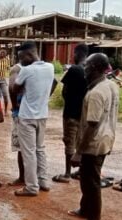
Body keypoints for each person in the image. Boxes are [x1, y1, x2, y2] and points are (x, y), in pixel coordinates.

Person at [69, 53, 119, 220]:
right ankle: (85, 209)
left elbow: (92, 124)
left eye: (87, 65)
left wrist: (79, 151)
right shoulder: (110, 85)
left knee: (91, 182)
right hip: (106, 138)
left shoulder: (97, 93)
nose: (84, 68)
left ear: (96, 68)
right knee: (87, 177)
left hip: (94, 143)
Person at [12, 42, 57, 197]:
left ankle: (31, 186)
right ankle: (43, 181)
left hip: (26, 116)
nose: (20, 60)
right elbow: (53, 84)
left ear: (29, 55)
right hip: (42, 114)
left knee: (28, 152)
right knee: (40, 149)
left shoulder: (27, 70)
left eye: (21, 57)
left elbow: (14, 88)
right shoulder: (50, 67)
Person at [53, 43, 89, 183]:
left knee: (69, 141)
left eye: (74, 53)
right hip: (86, 114)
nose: (73, 56)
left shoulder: (75, 69)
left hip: (71, 112)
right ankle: (81, 170)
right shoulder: (91, 69)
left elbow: (65, 90)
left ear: (78, 53)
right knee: (82, 142)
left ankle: (67, 173)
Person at [7, 51, 32, 187]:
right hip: (36, 113)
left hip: (21, 113)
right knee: (33, 147)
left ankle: (23, 178)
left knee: (21, 147)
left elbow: (11, 87)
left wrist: (15, 105)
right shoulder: (41, 68)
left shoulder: (17, 69)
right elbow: (53, 84)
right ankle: (34, 178)